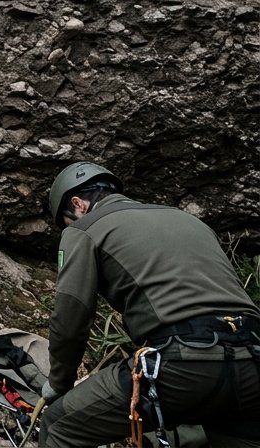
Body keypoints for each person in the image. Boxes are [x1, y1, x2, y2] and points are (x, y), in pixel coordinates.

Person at [38, 161, 260, 447]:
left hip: (182, 361)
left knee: (58, 425)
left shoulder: (84, 228)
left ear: (77, 204)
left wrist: (59, 383)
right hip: (253, 360)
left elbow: (71, 319)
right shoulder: (190, 221)